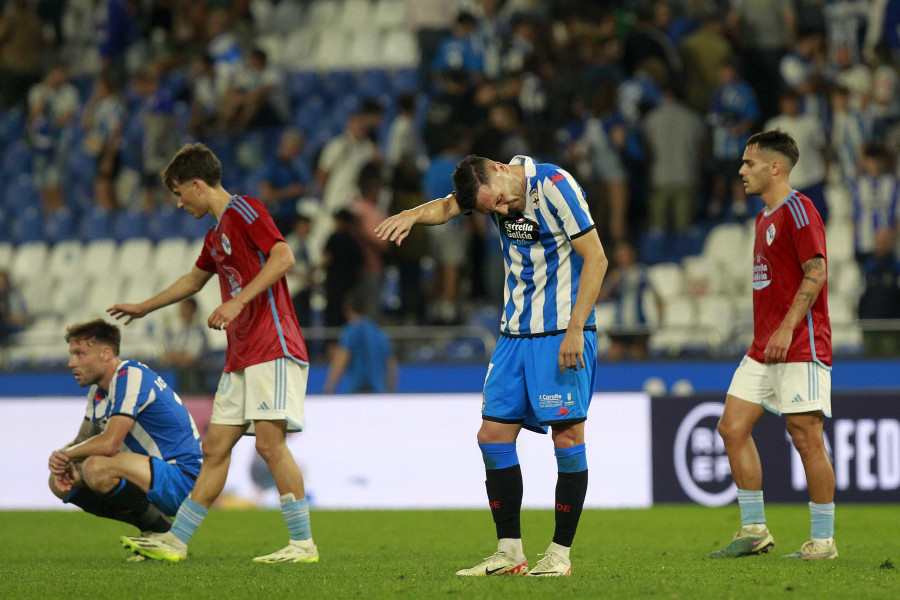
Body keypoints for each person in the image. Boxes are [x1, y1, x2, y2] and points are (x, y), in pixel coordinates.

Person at [376, 154, 608, 577]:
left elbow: (596, 258)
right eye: (492, 211)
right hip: (513, 334)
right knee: (492, 435)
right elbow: (447, 207)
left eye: (500, 203)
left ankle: (559, 554)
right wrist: (411, 214)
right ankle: (510, 552)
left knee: (567, 436)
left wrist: (577, 328)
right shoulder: (488, 190)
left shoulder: (557, 186)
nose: (502, 212)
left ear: (502, 169)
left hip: (561, 331)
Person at [108, 142, 318, 564]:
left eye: (180, 193)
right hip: (241, 354)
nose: (179, 203)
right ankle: (176, 540)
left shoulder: (246, 210)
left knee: (269, 445)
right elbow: (193, 280)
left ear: (198, 185)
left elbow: (284, 256)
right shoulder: (215, 234)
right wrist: (144, 306)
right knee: (216, 447)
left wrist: (239, 302)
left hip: (272, 344)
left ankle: (302, 544)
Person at [709, 130, 836, 560]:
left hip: (800, 342)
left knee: (805, 435)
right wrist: (770, 333)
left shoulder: (800, 211)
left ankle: (823, 541)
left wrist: (786, 327)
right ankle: (755, 529)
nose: (741, 170)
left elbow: (816, 271)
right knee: (731, 427)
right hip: (763, 346)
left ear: (775, 167)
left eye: (749, 163)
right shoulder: (763, 218)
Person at [48, 319, 202, 551]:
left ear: (105, 353)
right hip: (149, 475)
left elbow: (109, 443)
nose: (72, 363)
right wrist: (62, 459)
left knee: (95, 467)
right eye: (71, 354)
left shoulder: (131, 375)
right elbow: (83, 441)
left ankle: (163, 531)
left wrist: (66, 454)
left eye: (80, 353)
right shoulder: (98, 392)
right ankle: (152, 530)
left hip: (183, 479)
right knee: (60, 483)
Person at [321, 287, 397, 394]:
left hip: (358, 392)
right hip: (379, 392)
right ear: (367, 308)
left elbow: (342, 358)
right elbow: (391, 364)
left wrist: (329, 388)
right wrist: (390, 390)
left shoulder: (350, 331)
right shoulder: (379, 332)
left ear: (347, 309)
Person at [162, 298, 210, 394]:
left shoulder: (198, 331)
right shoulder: (176, 330)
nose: (180, 310)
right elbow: (167, 355)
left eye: (184, 307)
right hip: (176, 379)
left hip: (194, 380)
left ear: (192, 309)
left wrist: (177, 356)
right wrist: (178, 356)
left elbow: (191, 358)